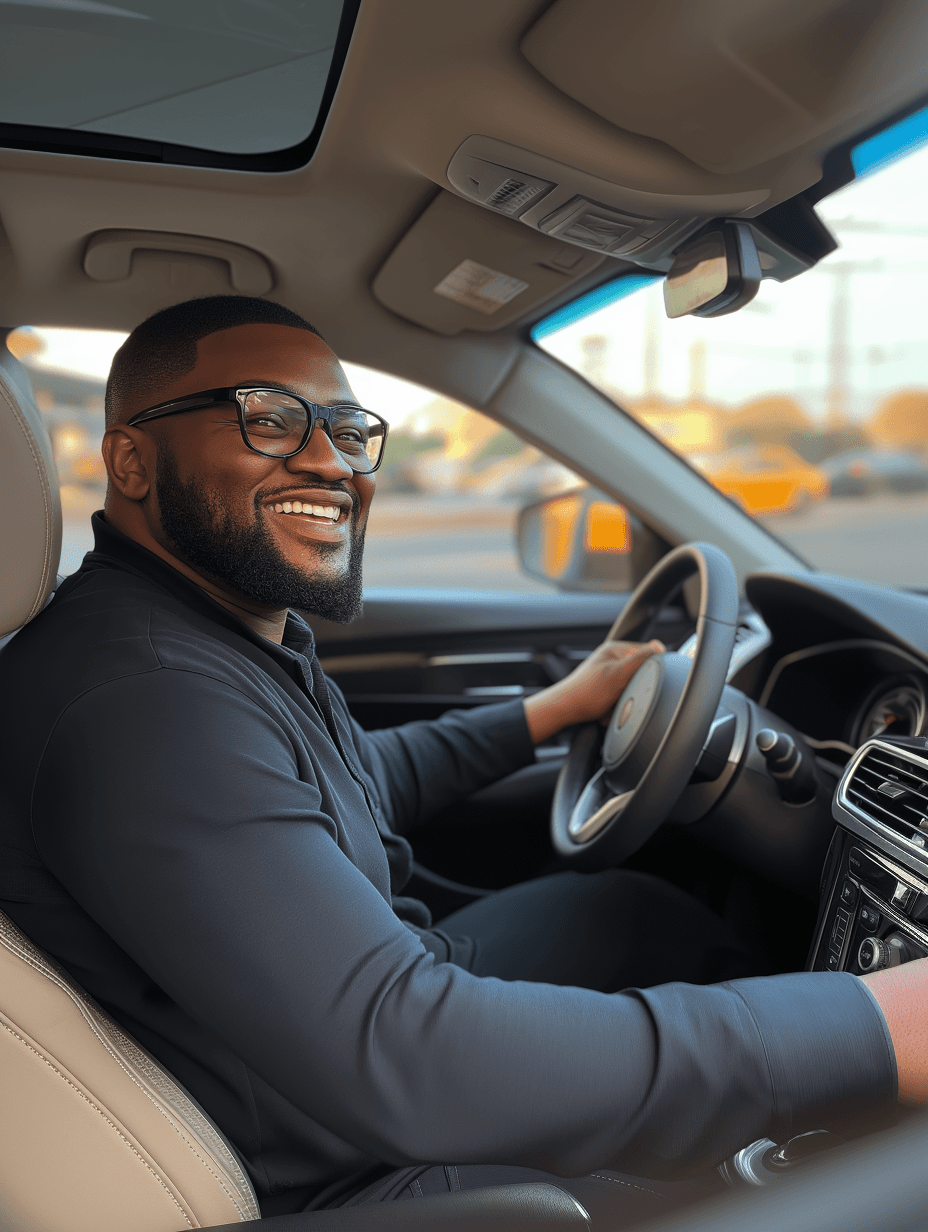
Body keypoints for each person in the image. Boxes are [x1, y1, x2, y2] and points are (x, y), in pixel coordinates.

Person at [0, 296, 924, 1228]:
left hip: (330, 1070)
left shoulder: (204, 635)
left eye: (351, 431)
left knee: (624, 911)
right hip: (354, 1169)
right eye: (269, 420)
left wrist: (555, 711)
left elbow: (355, 780)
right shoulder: (142, 699)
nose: (330, 462)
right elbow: (412, 1060)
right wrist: (880, 1029)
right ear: (129, 459)